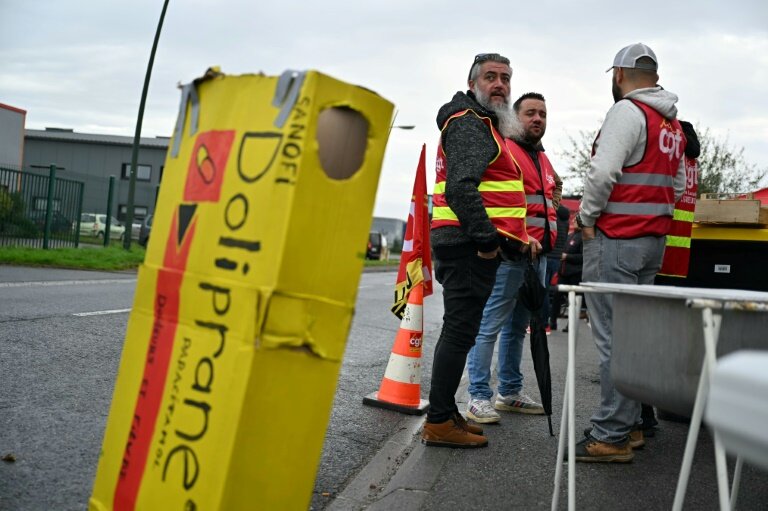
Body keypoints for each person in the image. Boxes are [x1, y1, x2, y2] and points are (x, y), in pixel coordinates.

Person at [574, 43, 687, 463]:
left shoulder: (628, 111)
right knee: (633, 340)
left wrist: (587, 218)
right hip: (651, 242)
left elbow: (603, 171)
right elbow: (676, 185)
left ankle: (611, 436)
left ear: (618, 75)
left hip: (615, 240)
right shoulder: (670, 123)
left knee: (612, 341)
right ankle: (632, 424)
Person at [422, 53, 536, 448]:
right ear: (473, 84)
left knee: (462, 331)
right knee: (459, 333)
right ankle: (439, 421)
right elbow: (460, 188)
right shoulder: (471, 123)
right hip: (468, 247)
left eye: (506, 77)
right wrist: (488, 243)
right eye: (490, 77)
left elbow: (495, 195)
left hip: (467, 245)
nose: (500, 84)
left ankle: (446, 413)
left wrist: (517, 237)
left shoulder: (483, 124)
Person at [465, 91, 559, 424]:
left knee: (518, 328)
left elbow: (550, 192)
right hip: (510, 253)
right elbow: (493, 200)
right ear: (515, 118)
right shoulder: (507, 150)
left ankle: (510, 392)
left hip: (538, 257)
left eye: (543, 114)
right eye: (530, 113)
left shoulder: (541, 158)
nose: (537, 119)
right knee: (489, 325)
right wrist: (518, 237)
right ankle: (478, 396)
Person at [553, 217, 585, 333]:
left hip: (575, 273)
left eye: (576, 221)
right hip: (564, 272)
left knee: (573, 301)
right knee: (557, 296)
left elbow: (583, 257)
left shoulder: (583, 237)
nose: (573, 222)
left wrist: (567, 256)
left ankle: (570, 325)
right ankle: (552, 322)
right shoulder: (570, 235)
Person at [545, 204, 571, 331]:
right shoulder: (566, 220)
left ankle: (544, 321)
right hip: (559, 258)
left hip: (548, 255)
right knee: (552, 292)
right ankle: (550, 321)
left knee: (543, 290)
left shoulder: (551, 215)